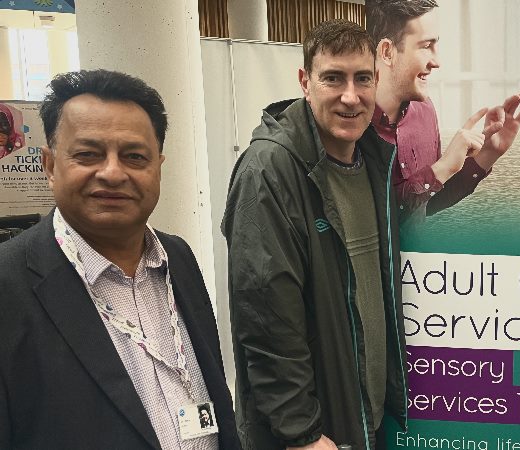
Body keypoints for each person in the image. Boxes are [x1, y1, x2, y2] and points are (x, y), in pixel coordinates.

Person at [0, 69, 239, 449]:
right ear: (49, 166)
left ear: (158, 168)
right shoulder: (9, 284)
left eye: (134, 156)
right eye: (88, 154)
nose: (112, 173)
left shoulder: (177, 257)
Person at [222, 20, 407, 450]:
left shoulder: (374, 163)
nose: (350, 96)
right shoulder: (269, 170)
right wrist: (301, 432)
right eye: (332, 78)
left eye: (362, 79)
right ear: (305, 82)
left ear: (376, 81)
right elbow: (266, 319)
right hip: (312, 436)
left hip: (363, 420)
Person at [366, 0, 520, 224]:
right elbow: (369, 219)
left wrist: (487, 154)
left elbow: (429, 203)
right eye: (426, 46)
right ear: (387, 52)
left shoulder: (425, 110)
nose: (437, 62)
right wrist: (442, 168)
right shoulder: (352, 119)